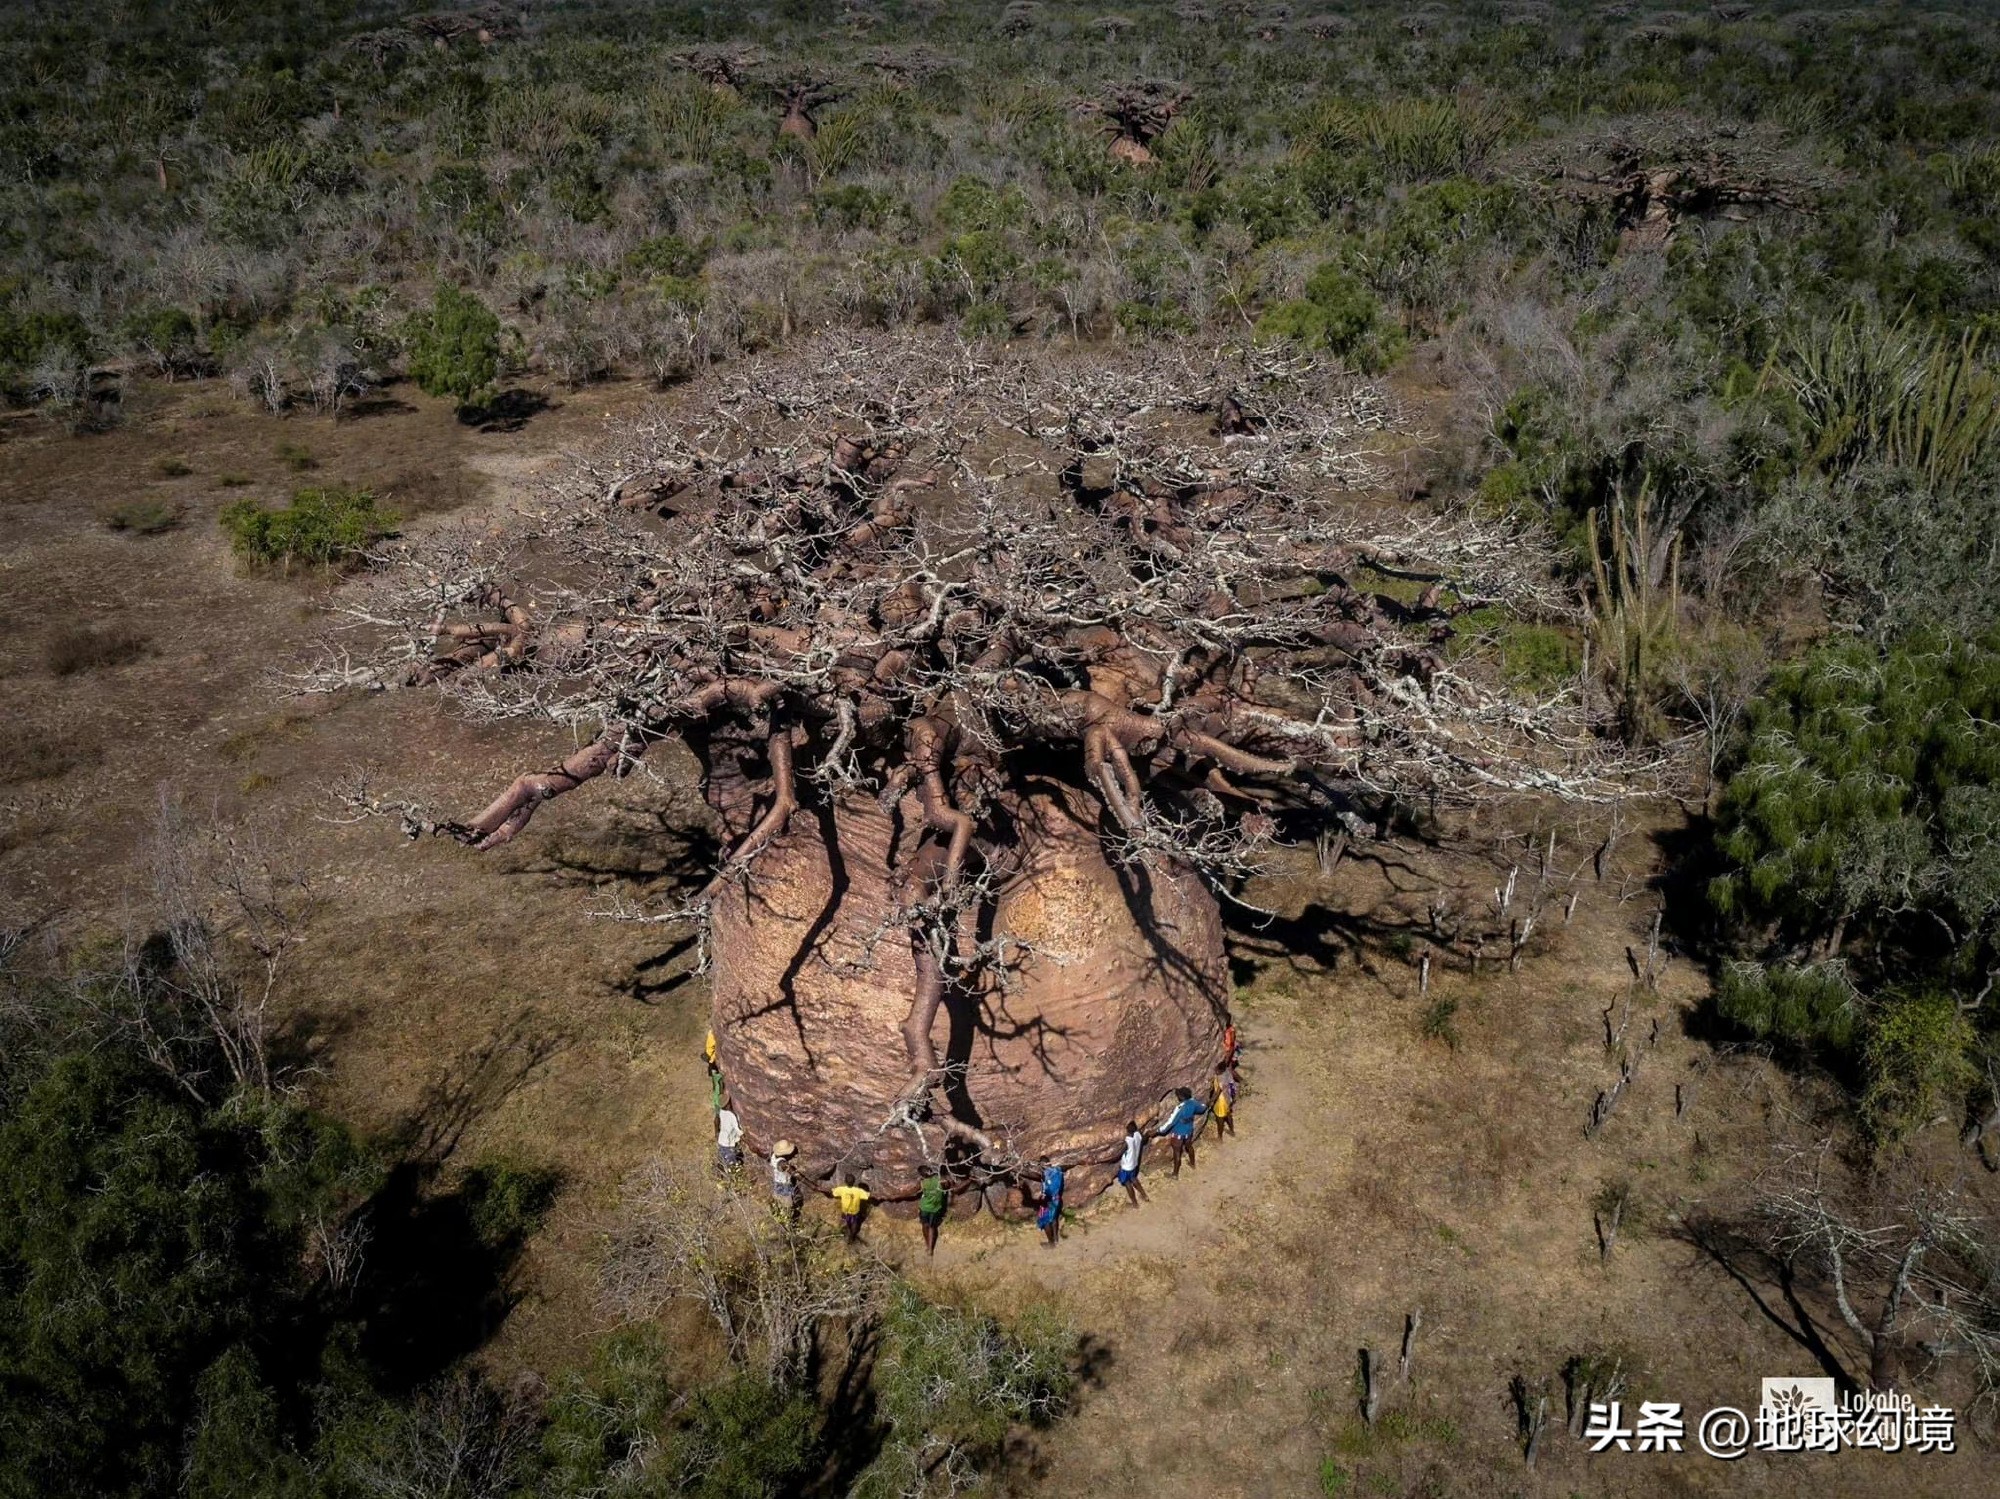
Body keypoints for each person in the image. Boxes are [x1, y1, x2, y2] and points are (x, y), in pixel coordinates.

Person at [1156, 1086, 1207, 1177]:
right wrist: (1206, 1105)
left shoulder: (1180, 1108)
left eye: (1178, 1095)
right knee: (1189, 1146)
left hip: (1178, 1132)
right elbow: (1202, 1108)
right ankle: (1192, 1163)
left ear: (1182, 1097)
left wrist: (1158, 1130)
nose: (1177, 1096)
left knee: (1177, 1152)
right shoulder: (1193, 1103)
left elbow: (1170, 1122)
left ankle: (1175, 1174)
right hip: (1188, 1130)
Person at [1117, 1119, 1149, 1207]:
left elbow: (1117, 1155)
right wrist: (1148, 1134)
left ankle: (1134, 1203)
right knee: (1134, 1179)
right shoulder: (1137, 1134)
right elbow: (1144, 1138)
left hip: (1126, 1166)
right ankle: (1144, 1196)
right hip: (1134, 1163)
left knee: (1127, 1183)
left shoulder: (1127, 1142)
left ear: (1127, 1130)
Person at [1035, 1157, 1065, 1247]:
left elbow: (1048, 1189)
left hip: (1048, 1200)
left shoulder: (1046, 1174)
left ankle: (1051, 1243)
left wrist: (1044, 1198)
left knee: (1045, 1221)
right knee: (1054, 1218)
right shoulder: (1057, 1171)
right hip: (1057, 1198)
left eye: (1040, 1164)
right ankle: (1056, 1240)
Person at [917, 1168, 948, 1257]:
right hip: (936, 1208)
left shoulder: (922, 1183)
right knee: (932, 1227)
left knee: (924, 1225)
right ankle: (930, 1249)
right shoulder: (940, 1181)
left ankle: (927, 1244)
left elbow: (915, 1191)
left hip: (924, 1208)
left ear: (922, 1175)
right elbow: (948, 1185)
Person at [833, 1173, 871, 1243]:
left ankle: (848, 1231)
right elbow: (867, 1196)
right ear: (854, 1182)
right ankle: (852, 1236)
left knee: (847, 1222)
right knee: (855, 1224)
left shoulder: (842, 1189)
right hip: (855, 1212)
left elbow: (834, 1192)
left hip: (845, 1212)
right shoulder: (859, 1191)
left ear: (845, 1182)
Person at [770, 1139, 800, 1219]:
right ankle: (788, 1223)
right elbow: (795, 1174)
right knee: (788, 1206)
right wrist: (815, 1187)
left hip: (777, 1182)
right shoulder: (782, 1163)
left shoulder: (773, 1156)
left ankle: (779, 1217)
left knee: (778, 1201)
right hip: (785, 1185)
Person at [1209, 1068, 1236, 1140]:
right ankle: (1232, 1131)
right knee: (1228, 1115)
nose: (1215, 1071)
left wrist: (1211, 1101)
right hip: (1228, 1097)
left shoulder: (1220, 1078)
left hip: (1221, 1101)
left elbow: (1217, 1092)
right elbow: (1232, 1084)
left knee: (1220, 1119)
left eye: (1217, 1070)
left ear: (1220, 1070)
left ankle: (1220, 1137)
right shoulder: (1227, 1071)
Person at [715, 1103, 743, 1171]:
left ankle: (724, 1172)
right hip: (728, 1144)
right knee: (732, 1165)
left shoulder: (721, 1111)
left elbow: (716, 1120)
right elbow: (738, 1131)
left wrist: (717, 1132)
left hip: (721, 1141)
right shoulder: (732, 1115)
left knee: (724, 1161)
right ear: (728, 1104)